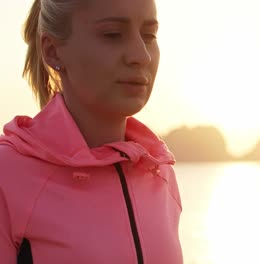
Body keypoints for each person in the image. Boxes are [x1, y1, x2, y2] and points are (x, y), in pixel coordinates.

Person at [0, 0, 183, 263]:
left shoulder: (160, 172)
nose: (141, 55)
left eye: (149, 35)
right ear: (52, 51)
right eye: (112, 35)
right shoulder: (7, 174)